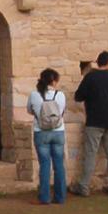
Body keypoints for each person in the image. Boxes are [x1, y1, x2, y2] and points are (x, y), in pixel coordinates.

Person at [70, 50, 108, 197]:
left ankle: (84, 186)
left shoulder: (90, 78)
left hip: (94, 121)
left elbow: (78, 96)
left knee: (90, 155)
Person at [27, 67, 67, 205]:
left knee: (44, 164)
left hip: (41, 131)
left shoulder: (34, 95)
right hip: (58, 131)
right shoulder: (60, 95)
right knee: (59, 164)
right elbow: (62, 111)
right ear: (54, 81)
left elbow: (29, 110)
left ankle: (44, 197)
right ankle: (60, 197)